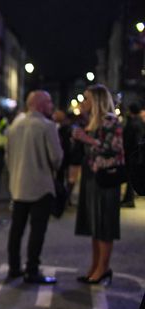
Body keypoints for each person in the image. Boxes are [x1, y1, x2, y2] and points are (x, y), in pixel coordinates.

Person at [4, 90, 63, 284]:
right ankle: (32, 270)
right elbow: (56, 158)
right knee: (37, 232)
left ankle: (14, 267)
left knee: (16, 230)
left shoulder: (14, 125)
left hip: (18, 186)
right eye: (49, 102)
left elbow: (7, 156)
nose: (52, 105)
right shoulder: (47, 126)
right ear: (39, 104)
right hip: (41, 187)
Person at [72, 84, 123, 285]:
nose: (83, 102)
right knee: (94, 224)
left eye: (87, 99)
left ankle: (103, 268)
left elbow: (114, 148)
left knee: (104, 224)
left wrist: (86, 139)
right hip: (92, 176)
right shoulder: (90, 122)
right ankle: (95, 266)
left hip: (106, 177)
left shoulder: (110, 121)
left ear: (97, 101)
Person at [122, 102, 144, 208]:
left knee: (131, 176)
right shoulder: (138, 122)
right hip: (134, 153)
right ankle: (128, 198)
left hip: (132, 153)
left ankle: (129, 199)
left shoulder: (133, 123)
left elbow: (132, 140)